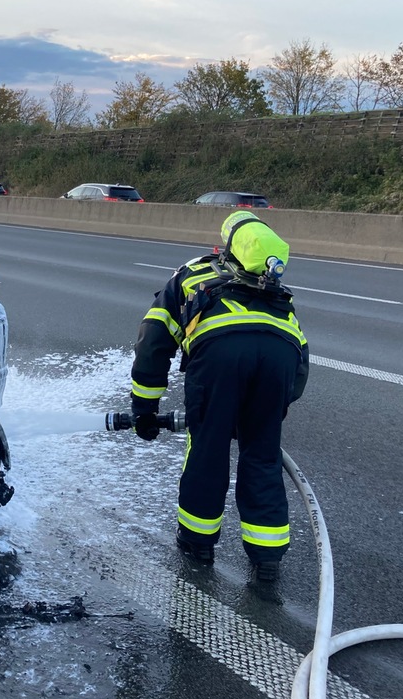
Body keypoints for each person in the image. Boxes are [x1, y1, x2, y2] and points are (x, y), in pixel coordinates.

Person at [129, 211, 309, 582]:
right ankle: (267, 558)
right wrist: (275, 406)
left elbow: (154, 340)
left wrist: (145, 407)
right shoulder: (274, 292)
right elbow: (300, 358)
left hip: (219, 358)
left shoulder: (193, 274)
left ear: (224, 247)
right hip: (279, 360)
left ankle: (198, 543)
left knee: (208, 450)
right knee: (262, 454)